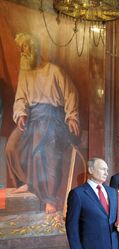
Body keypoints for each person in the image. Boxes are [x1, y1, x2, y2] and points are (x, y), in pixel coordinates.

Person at [6, 33, 79, 214]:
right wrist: (21, 114)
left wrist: (71, 116)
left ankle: (49, 198)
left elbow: (71, 93)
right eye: (21, 50)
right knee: (11, 147)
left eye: (26, 48)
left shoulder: (53, 70)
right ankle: (28, 183)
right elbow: (21, 97)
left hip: (53, 117)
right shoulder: (25, 73)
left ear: (35, 49)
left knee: (44, 153)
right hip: (32, 117)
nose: (23, 52)